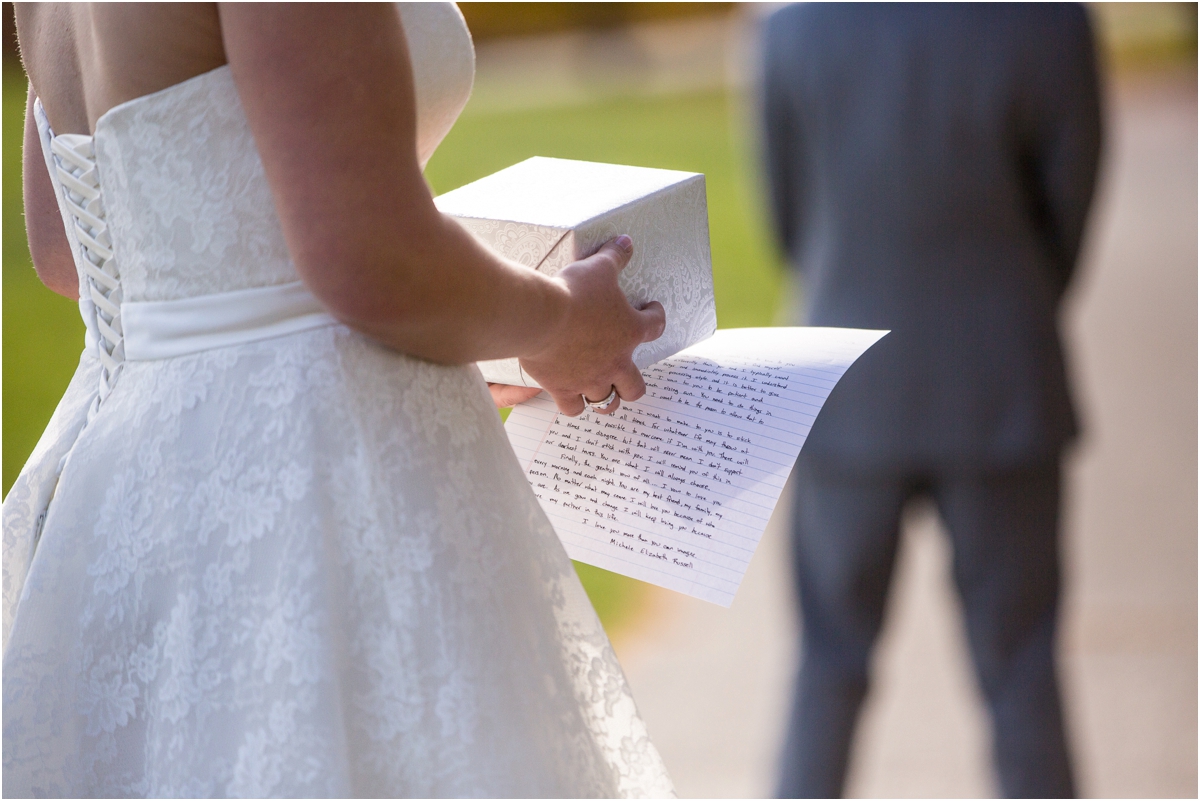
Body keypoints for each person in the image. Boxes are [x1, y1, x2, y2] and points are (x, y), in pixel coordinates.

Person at [2, 4, 674, 796]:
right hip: (307, 484)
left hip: (125, 484)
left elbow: (67, 250)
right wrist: (559, 322)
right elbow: (366, 253)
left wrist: (444, 315)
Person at [759, 4, 1102, 798]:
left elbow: (788, 219)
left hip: (847, 395)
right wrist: (1008, 303)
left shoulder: (794, 27)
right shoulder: (1047, 21)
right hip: (1002, 387)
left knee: (827, 662)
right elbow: (1072, 202)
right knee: (1022, 666)